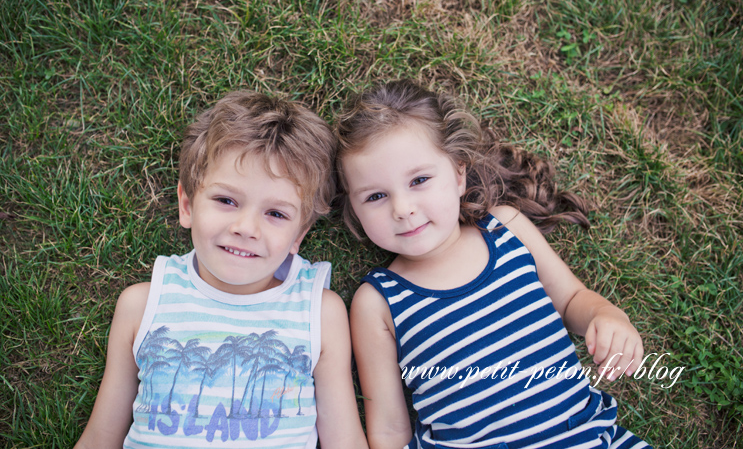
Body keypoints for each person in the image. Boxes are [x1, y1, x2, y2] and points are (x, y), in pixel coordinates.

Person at [335, 79, 651, 449]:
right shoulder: (378, 301)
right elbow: (389, 428)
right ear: (354, 209)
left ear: (458, 174)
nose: (402, 209)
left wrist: (608, 315)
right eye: (375, 196)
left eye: (419, 180)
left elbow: (570, 300)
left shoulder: (506, 228)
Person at [76, 92, 368, 449]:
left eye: (276, 214)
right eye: (226, 201)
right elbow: (101, 436)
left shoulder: (319, 311)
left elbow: (345, 441)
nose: (246, 227)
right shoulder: (142, 305)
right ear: (187, 205)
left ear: (299, 236)